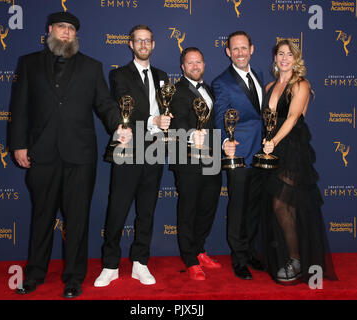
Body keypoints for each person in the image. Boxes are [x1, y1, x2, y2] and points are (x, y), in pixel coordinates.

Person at [9, 12, 123, 298]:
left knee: (77, 220)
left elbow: (105, 104)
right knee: (41, 217)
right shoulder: (29, 63)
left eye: (71, 28)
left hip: (79, 156)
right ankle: (34, 275)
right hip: (42, 153)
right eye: (61, 27)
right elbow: (19, 107)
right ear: (50, 29)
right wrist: (18, 145)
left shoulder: (91, 67)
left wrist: (119, 125)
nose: (66, 32)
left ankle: (74, 278)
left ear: (76, 35)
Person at [94, 25, 169, 287]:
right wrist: (154, 119)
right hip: (128, 148)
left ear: (153, 44)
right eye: (139, 41)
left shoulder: (162, 77)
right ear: (130, 44)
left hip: (155, 149)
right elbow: (127, 107)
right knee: (118, 208)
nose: (143, 45)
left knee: (146, 210)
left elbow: (168, 110)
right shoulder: (119, 75)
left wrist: (167, 121)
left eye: (148, 40)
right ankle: (110, 264)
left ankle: (140, 263)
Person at [260, 39, 337, 284]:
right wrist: (266, 143)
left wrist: (273, 141)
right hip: (272, 152)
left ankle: (296, 259)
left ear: (296, 59)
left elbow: (292, 117)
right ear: (275, 58)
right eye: (280, 53)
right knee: (284, 207)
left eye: (289, 54)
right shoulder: (269, 86)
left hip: (292, 150)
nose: (284, 58)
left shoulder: (301, 84)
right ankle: (290, 257)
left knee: (282, 205)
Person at [212, 31, 265, 280]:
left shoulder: (259, 75)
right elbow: (220, 115)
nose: (240, 52)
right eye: (235, 49)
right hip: (239, 153)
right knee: (238, 207)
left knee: (255, 207)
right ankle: (238, 258)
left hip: (261, 154)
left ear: (251, 49)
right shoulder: (222, 82)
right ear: (228, 52)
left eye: (244, 47)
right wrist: (225, 141)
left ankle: (251, 251)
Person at [169, 47, 222, 281]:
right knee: (188, 210)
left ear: (204, 64)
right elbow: (173, 123)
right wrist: (191, 135)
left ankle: (200, 250)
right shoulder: (174, 92)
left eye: (198, 62)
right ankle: (190, 259)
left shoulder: (210, 90)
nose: (195, 66)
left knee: (207, 208)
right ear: (182, 67)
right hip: (187, 159)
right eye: (190, 63)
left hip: (212, 159)